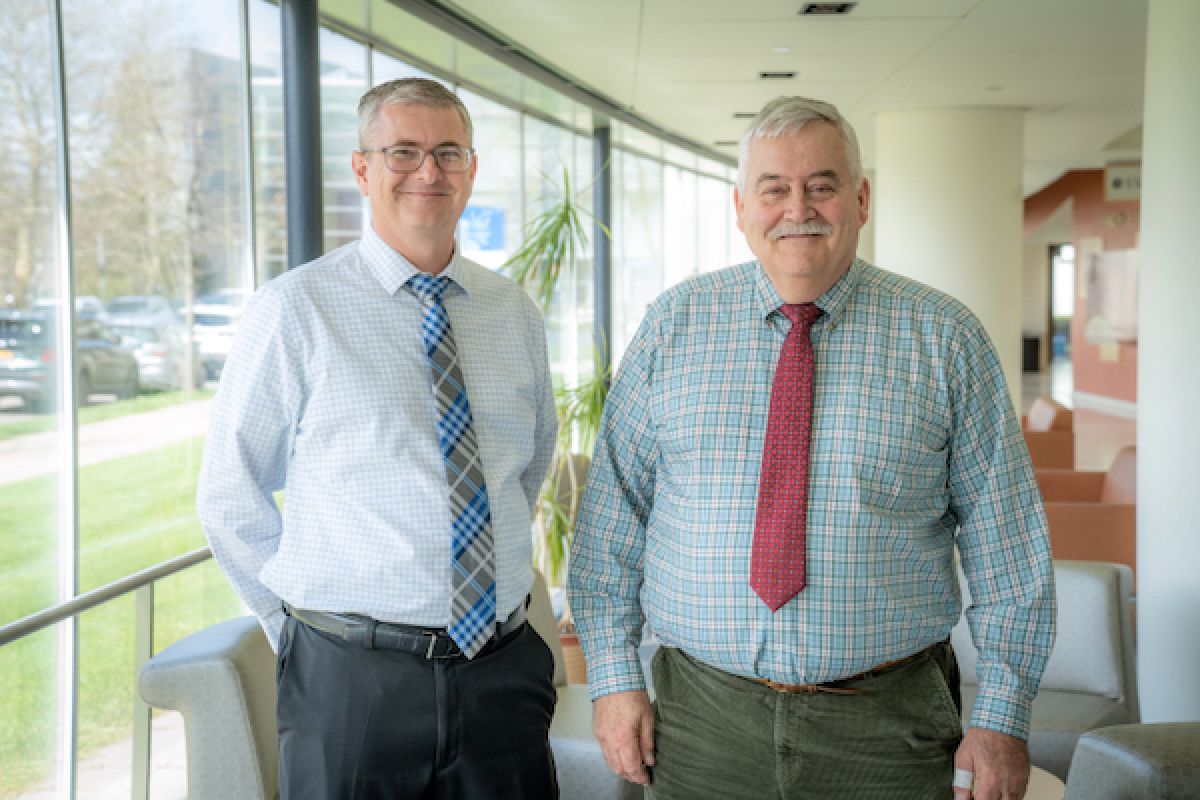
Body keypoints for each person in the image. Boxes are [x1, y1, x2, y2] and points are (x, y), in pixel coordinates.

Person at [568, 95, 1055, 800]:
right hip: (703, 721)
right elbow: (611, 523)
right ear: (741, 207)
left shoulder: (945, 339)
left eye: (821, 186)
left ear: (860, 198)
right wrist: (613, 682)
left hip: (885, 726)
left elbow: (1009, 548)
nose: (798, 208)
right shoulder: (673, 326)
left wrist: (1003, 716)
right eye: (774, 189)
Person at [198, 78, 559, 799]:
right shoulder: (296, 309)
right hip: (350, 680)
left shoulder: (511, 310)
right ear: (362, 169)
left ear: (471, 168)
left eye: (448, 152)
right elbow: (230, 494)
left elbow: (523, 469)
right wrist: (298, 632)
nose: (428, 172)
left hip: (502, 671)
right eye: (403, 152)